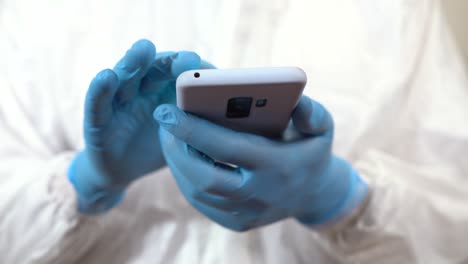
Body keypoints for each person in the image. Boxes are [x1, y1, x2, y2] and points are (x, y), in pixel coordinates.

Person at [1, 0, 468, 263]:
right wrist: (85, 182)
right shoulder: (37, 12)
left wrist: (340, 198)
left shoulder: (394, 10)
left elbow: (456, 226)